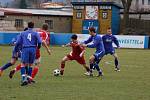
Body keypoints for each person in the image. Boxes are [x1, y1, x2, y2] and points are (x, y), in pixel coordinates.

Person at [14, 22, 42, 86]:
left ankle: (24, 79)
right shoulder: (36, 33)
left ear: (28, 26)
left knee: (23, 64)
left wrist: (16, 50)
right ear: (33, 26)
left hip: (25, 49)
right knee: (31, 64)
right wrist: (39, 47)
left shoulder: (23, 33)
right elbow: (40, 41)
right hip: (33, 49)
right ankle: (29, 79)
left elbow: (18, 42)